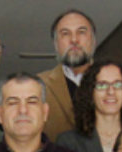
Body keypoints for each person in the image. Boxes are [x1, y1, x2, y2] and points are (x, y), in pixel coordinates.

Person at [57, 60, 122, 152]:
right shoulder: (69, 143)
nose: (111, 91)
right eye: (102, 85)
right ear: (90, 92)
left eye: (117, 84)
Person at [36, 9, 97, 141]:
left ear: (93, 40)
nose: (74, 40)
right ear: (56, 44)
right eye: (65, 33)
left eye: (81, 32)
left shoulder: (112, 83)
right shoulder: (38, 85)